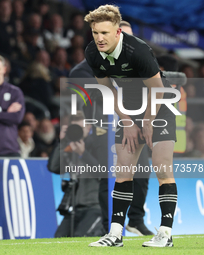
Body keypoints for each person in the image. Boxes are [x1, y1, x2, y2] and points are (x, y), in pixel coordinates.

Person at [84, 5, 177, 247]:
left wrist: (148, 122)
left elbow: (157, 90)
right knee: (123, 168)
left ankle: (165, 234)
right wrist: (127, 121)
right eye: (95, 33)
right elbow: (106, 89)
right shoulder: (93, 52)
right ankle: (115, 234)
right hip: (130, 108)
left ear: (117, 32)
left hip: (160, 104)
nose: (99, 38)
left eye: (104, 33)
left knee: (162, 167)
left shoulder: (138, 50)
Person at [68, 20, 154, 237]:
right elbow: (89, 89)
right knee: (111, 177)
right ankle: (110, 228)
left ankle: (136, 220)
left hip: (133, 125)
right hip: (104, 129)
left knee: (142, 171)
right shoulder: (88, 66)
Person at [48, 111, 106, 237]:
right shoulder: (71, 148)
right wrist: (61, 142)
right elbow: (54, 168)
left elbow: (103, 173)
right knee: (58, 239)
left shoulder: (98, 144)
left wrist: (83, 154)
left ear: (89, 127)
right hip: (74, 207)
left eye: (80, 127)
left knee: (81, 237)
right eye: (74, 128)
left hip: (96, 207)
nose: (77, 131)